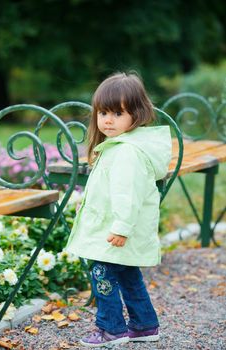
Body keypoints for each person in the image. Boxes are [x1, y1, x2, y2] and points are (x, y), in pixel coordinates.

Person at [66, 72, 172, 347]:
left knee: (102, 273)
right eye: (103, 112)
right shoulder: (121, 146)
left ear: (136, 114)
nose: (108, 120)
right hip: (117, 229)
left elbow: (128, 196)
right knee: (127, 273)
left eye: (117, 113)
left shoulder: (127, 152)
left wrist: (121, 228)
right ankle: (145, 324)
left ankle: (111, 329)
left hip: (115, 230)